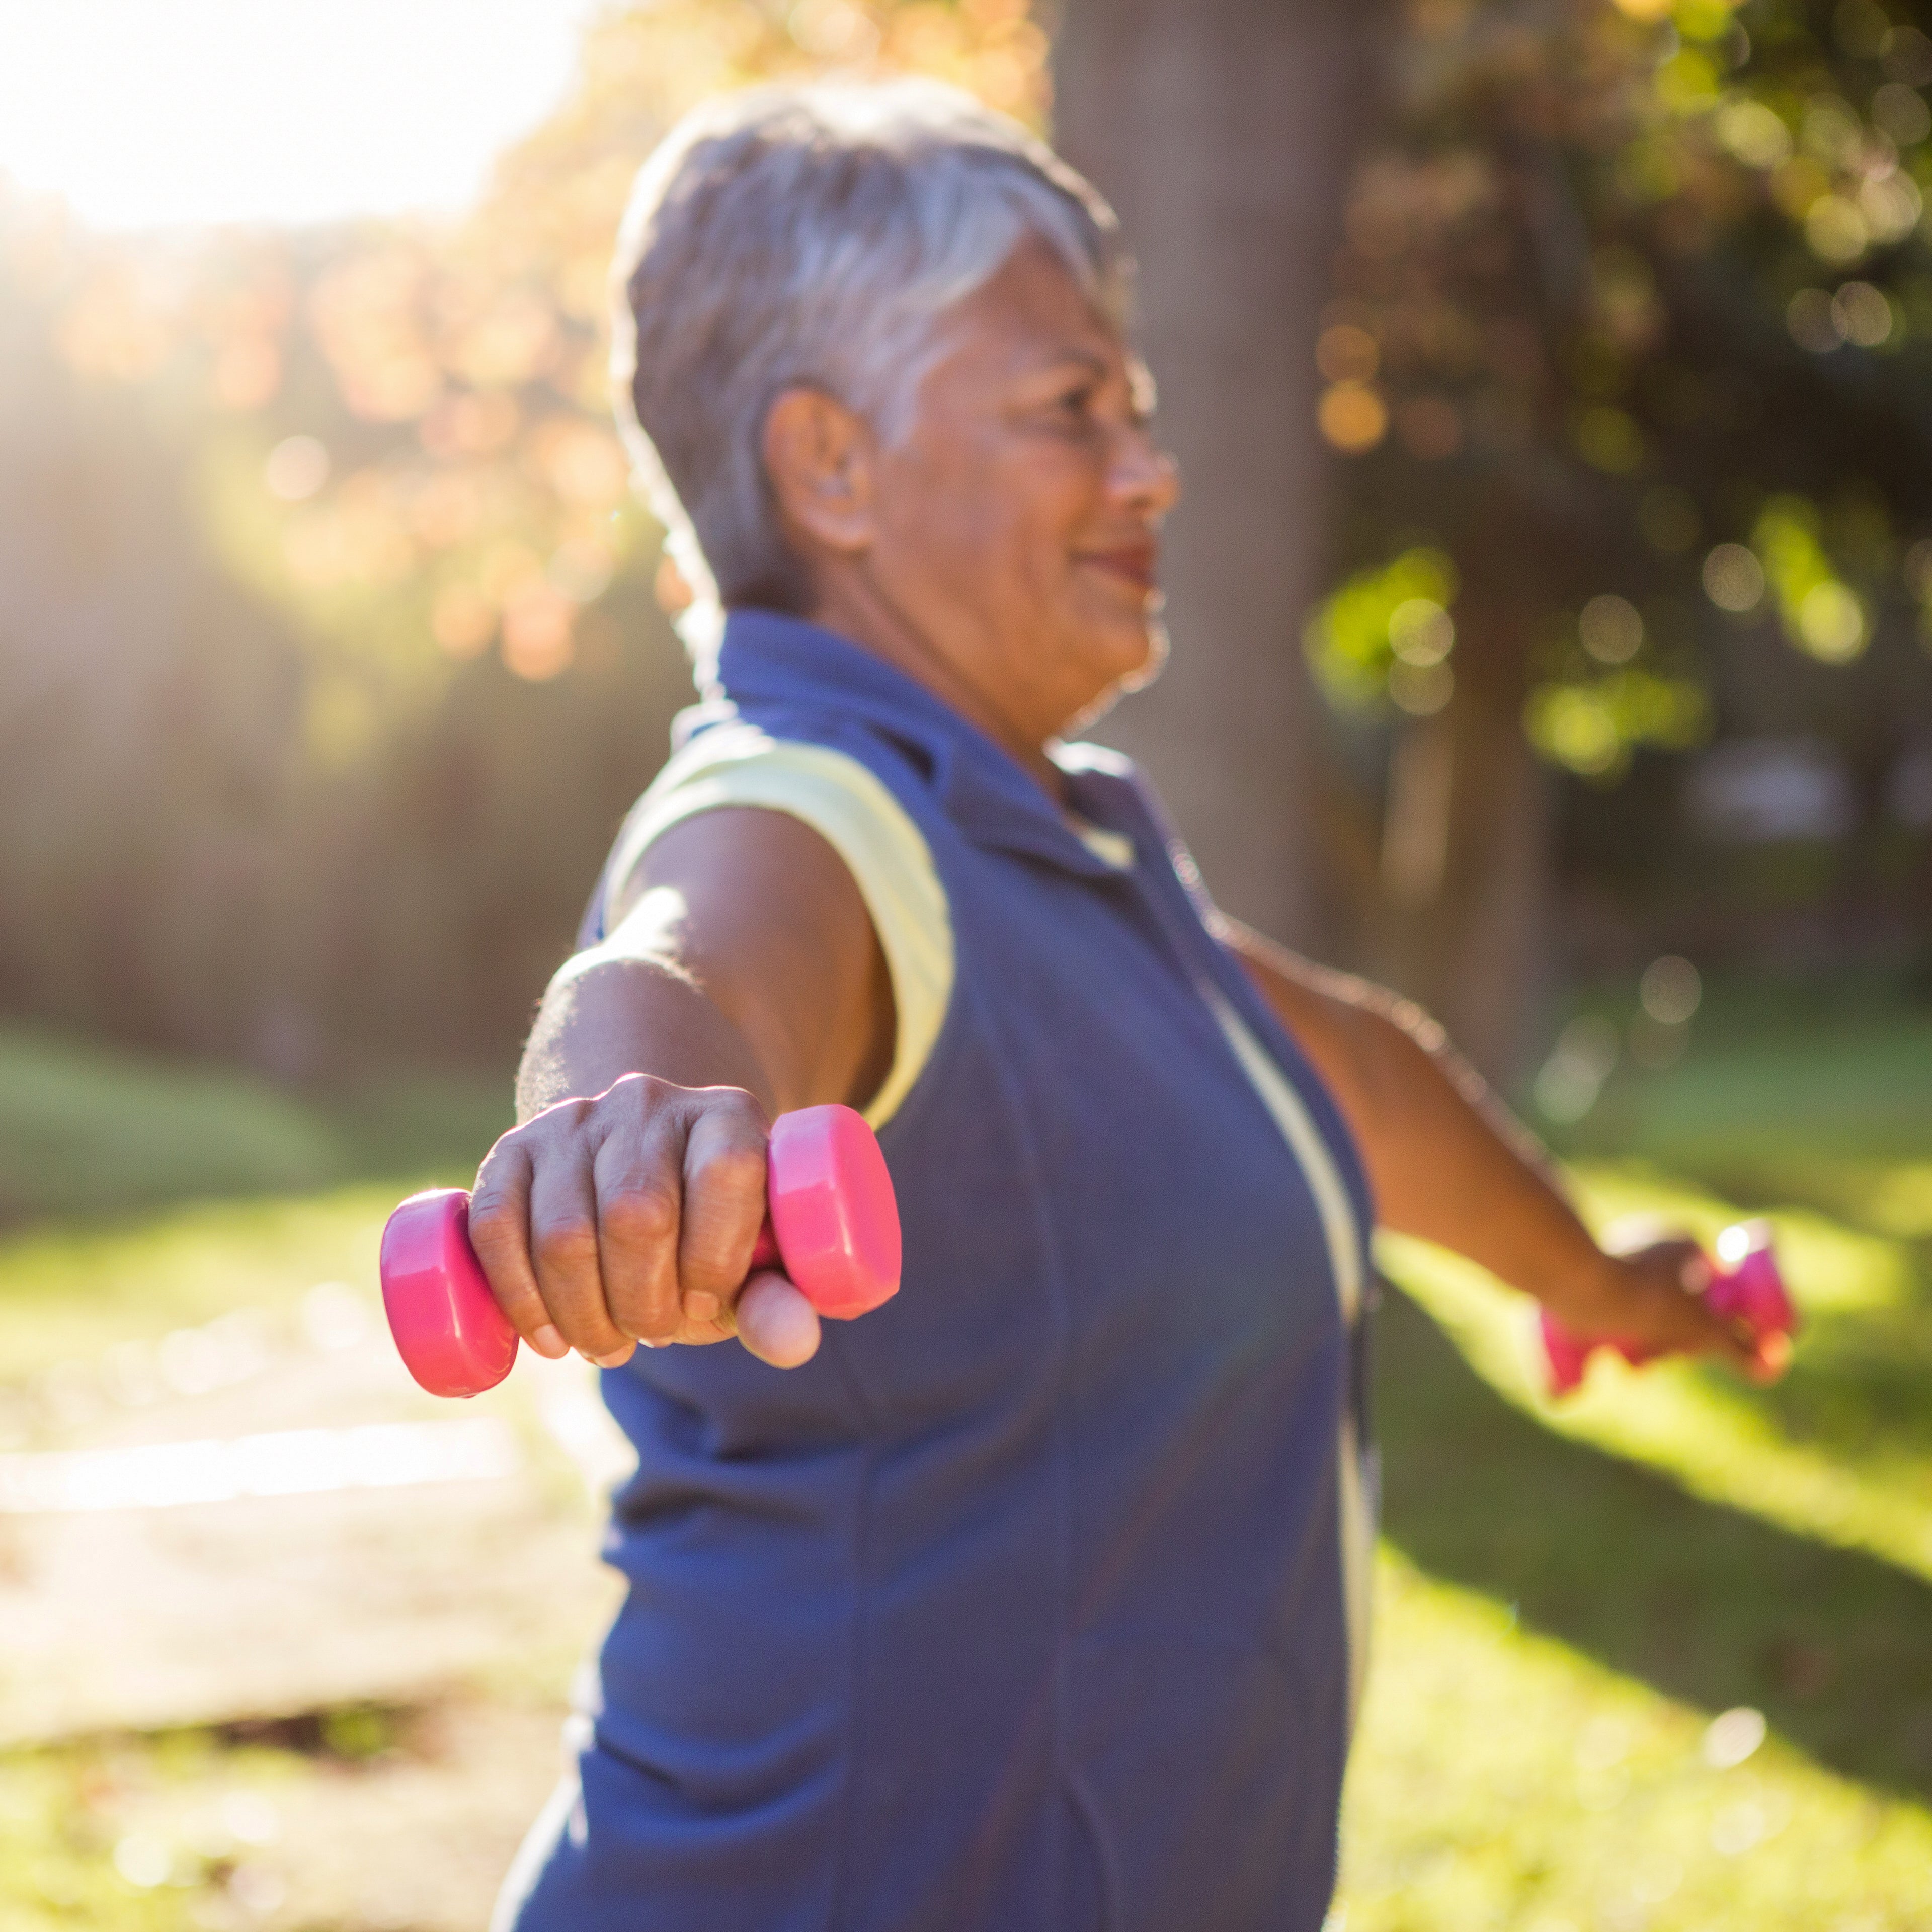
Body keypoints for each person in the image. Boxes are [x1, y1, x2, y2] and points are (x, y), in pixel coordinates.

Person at [478, 79, 1778, 1932]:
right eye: (1071, 411)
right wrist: (622, 1124)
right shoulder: (819, 804)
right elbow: (688, 959)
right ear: (829, 465)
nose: (1149, 471)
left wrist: (1601, 1288)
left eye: (1140, 411)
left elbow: (1349, 1077)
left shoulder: (1053, 858)